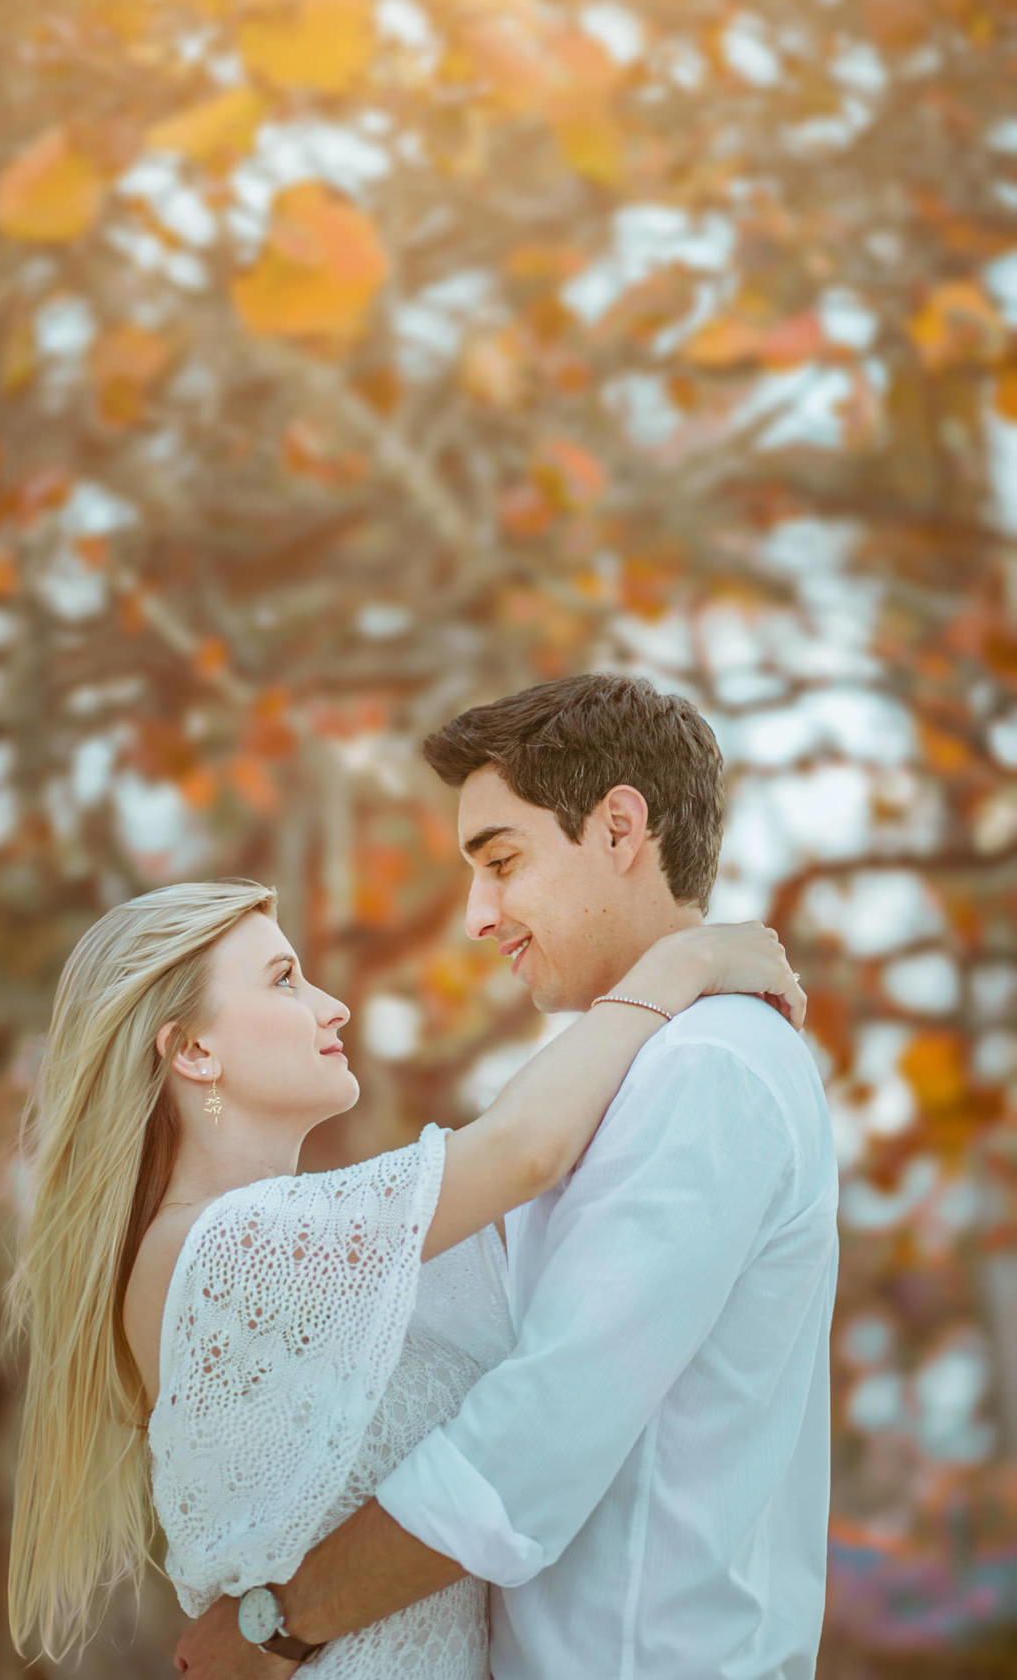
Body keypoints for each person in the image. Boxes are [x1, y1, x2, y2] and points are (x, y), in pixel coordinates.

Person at [174, 672, 840, 1680]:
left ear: (621, 830)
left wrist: (278, 1624)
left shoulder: (710, 1069)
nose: (480, 915)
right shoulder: (635, 1075)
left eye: (503, 861)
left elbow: (537, 1441)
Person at [2, 877, 803, 1671]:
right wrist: (679, 965)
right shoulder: (228, 1249)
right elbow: (522, 1151)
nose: (332, 1005)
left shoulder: (293, 1245)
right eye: (284, 981)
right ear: (195, 1051)